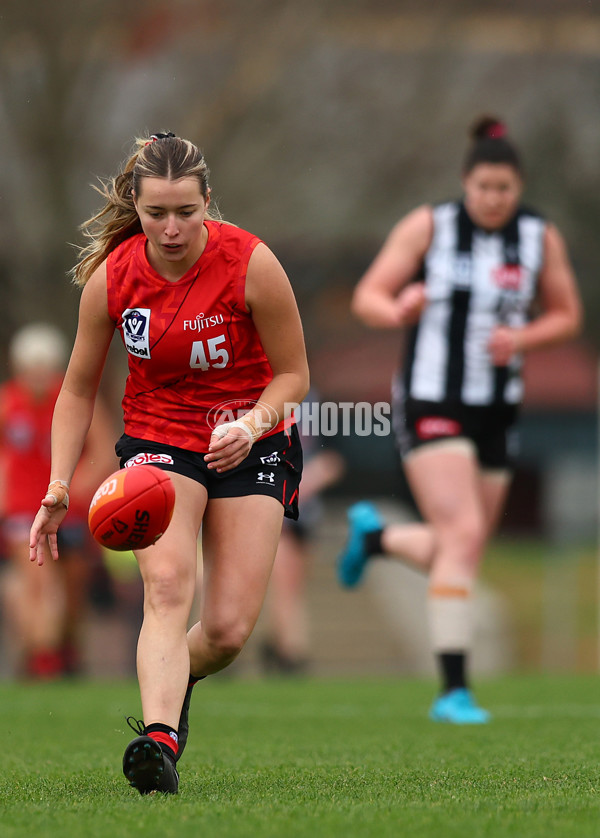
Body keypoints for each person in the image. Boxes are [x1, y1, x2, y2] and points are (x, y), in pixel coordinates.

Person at [29, 132, 309, 795]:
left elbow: (295, 375)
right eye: (157, 213)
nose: (173, 227)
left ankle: (173, 685)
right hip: (159, 443)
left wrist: (251, 424)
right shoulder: (114, 279)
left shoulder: (251, 263)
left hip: (251, 440)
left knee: (230, 630)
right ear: (137, 205)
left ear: (208, 201)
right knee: (169, 585)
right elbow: (74, 389)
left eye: (187, 211)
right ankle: (157, 741)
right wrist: (61, 483)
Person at [336, 116, 582, 724]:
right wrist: (400, 307)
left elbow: (567, 315)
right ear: (466, 184)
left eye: (505, 189)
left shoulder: (538, 237)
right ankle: (453, 689)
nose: (494, 199)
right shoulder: (430, 226)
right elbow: (367, 296)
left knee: (463, 547)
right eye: (484, 188)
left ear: (519, 187)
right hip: (431, 402)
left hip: (497, 408)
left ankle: (377, 539)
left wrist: (522, 337)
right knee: (464, 534)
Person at [0, 323, 115, 679]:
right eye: (30, 367)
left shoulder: (73, 402)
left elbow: (103, 450)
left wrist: (76, 487)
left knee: (72, 589)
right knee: (39, 581)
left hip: (69, 511)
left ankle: (64, 651)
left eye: (44, 367)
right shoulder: (7, 402)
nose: (37, 375)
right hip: (23, 509)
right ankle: (41, 655)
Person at [260, 392, 345, 674]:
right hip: (276, 504)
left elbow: (333, 460)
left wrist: (308, 482)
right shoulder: (260, 397)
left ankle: (277, 644)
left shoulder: (317, 401)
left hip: (306, 512)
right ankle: (291, 650)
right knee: (285, 581)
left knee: (293, 583)